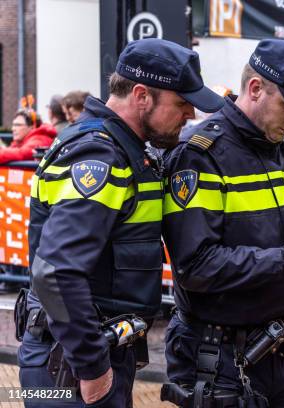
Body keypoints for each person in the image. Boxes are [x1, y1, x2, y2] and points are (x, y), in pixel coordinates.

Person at [16, 38, 223, 407]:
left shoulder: (123, 150)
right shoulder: (102, 154)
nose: (191, 113)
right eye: (181, 102)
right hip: (73, 364)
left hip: (87, 351)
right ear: (142, 95)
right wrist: (93, 367)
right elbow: (56, 272)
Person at [162, 39, 284, 407]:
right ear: (255, 89)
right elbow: (195, 266)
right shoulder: (201, 155)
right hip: (217, 359)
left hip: (275, 354)